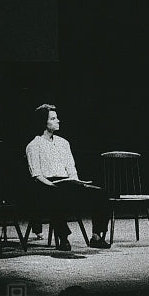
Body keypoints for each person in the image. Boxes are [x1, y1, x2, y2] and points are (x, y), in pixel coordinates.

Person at [25, 104, 111, 251]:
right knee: (56, 195)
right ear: (43, 122)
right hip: (46, 185)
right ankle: (63, 238)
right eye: (53, 118)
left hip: (67, 183)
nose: (58, 121)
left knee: (100, 193)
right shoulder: (34, 145)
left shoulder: (64, 143)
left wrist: (76, 182)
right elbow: (37, 175)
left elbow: (71, 168)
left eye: (56, 117)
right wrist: (53, 186)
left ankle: (96, 236)